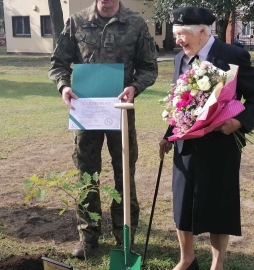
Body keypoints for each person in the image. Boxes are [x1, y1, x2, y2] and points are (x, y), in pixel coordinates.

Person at [158, 7, 254, 270]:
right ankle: (186, 259)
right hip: (185, 144)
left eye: (181, 35)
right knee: (182, 202)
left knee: (219, 204)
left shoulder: (233, 56)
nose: (177, 41)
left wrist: (238, 121)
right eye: (176, 35)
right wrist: (168, 135)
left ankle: (217, 264)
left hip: (221, 144)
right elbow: (179, 103)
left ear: (203, 31)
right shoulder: (179, 58)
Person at [48, 0, 158, 259]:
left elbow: (149, 67)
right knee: (87, 174)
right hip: (86, 112)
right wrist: (64, 86)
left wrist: (135, 87)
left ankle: (124, 237)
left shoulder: (136, 23)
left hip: (120, 111)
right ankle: (88, 238)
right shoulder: (76, 22)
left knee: (124, 174)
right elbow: (58, 63)